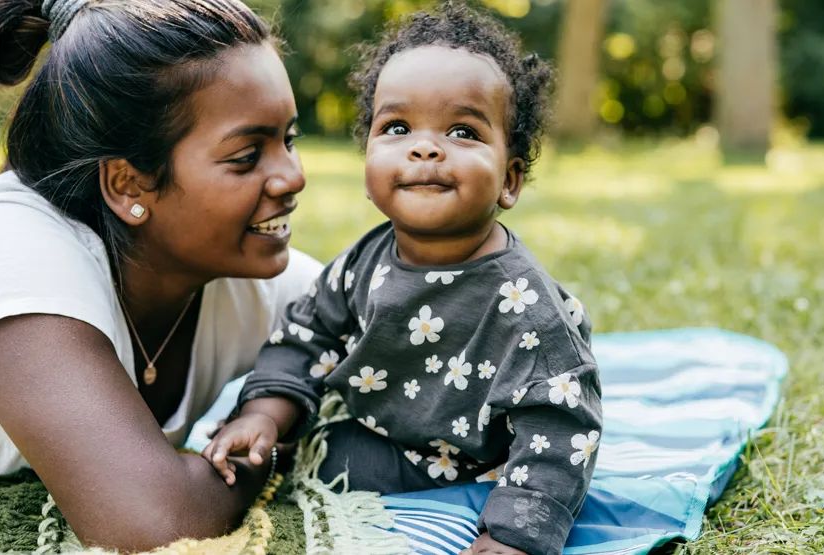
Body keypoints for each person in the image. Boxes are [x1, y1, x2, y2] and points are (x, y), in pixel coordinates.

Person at [204, 4, 603, 554]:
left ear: (509, 180)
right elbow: (307, 336)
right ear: (369, 164)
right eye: (397, 127)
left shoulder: (525, 307)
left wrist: (513, 536)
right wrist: (263, 414)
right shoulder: (365, 261)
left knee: (543, 463)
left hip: (482, 461)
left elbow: (560, 428)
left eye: (462, 130)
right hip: (377, 438)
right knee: (285, 462)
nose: (425, 147)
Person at [0, 0, 322, 550]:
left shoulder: (252, 280)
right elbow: (152, 522)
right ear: (128, 184)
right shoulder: (6, 245)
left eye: (290, 140)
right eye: (246, 155)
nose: (293, 176)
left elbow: (395, 322)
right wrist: (270, 449)